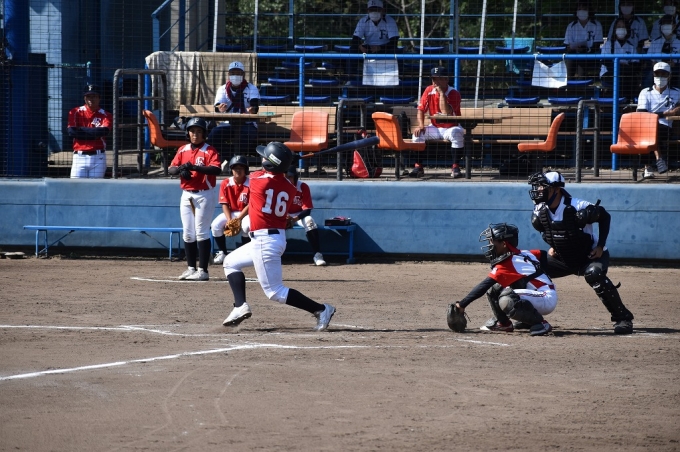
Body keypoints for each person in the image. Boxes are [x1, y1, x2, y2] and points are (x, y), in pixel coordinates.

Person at [221, 142, 336, 331]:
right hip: (272, 238)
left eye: (265, 157)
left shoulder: (257, 180)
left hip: (265, 241)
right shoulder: (289, 187)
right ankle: (240, 306)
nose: (262, 158)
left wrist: (281, 163)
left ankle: (322, 309)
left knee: (274, 292)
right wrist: (282, 163)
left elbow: (253, 175)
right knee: (230, 262)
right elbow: (273, 175)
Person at [527, 171, 634, 335]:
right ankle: (528, 316)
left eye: (543, 186)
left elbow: (605, 216)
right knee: (528, 270)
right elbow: (551, 230)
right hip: (563, 259)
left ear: (556, 189)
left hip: (589, 257)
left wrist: (600, 246)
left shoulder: (578, 206)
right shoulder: (540, 209)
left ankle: (623, 318)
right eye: (538, 186)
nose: (539, 190)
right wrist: (553, 246)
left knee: (594, 274)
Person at [451, 223, 556, 336]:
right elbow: (542, 253)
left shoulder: (508, 262)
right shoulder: (524, 253)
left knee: (507, 299)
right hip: (537, 295)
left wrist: (462, 305)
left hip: (545, 298)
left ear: (504, 244)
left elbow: (483, 286)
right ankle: (504, 323)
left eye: (492, 241)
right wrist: (543, 273)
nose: (490, 245)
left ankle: (541, 323)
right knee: (494, 290)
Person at [168, 117, 221, 281]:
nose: (195, 134)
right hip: (187, 194)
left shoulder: (209, 150)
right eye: (192, 131)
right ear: (188, 133)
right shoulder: (183, 150)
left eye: (199, 131)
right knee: (188, 233)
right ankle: (191, 268)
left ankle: (203, 270)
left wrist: (195, 167)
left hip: (204, 194)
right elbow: (171, 168)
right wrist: (180, 170)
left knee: (201, 231)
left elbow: (216, 169)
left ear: (204, 134)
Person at [412, 66, 465, 178]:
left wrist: (441, 93)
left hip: (451, 127)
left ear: (446, 79)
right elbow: (420, 110)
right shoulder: (429, 90)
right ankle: (418, 167)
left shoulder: (454, 93)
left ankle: (455, 167)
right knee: (417, 134)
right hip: (435, 127)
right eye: (434, 79)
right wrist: (421, 125)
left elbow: (445, 112)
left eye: (439, 78)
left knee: (457, 133)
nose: (436, 82)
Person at [207, 61, 260, 158]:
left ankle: (233, 158)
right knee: (213, 136)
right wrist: (220, 108)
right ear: (228, 74)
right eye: (233, 73)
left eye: (238, 73)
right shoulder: (222, 89)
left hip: (247, 123)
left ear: (243, 74)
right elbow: (217, 107)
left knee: (247, 136)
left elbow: (255, 107)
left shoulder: (252, 88)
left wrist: (252, 110)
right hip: (228, 123)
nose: (235, 75)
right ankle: (232, 157)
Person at [636, 61, 678, 178]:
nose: (660, 77)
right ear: (653, 74)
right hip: (647, 125)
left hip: (665, 126)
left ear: (669, 76)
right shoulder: (645, 92)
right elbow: (642, 113)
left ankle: (648, 166)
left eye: (664, 74)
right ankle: (658, 159)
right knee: (648, 132)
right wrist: (665, 113)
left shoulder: (677, 92)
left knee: (651, 132)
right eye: (657, 74)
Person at [210, 155, 251, 265]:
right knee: (215, 225)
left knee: (247, 227)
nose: (238, 170)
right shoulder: (226, 183)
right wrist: (229, 219)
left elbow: (250, 205)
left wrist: (238, 219)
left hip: (246, 213)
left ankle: (246, 254)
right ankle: (222, 252)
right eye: (235, 168)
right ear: (231, 170)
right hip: (231, 212)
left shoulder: (251, 183)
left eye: (241, 168)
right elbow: (224, 204)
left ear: (245, 170)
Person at [285, 165, 327, 266]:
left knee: (309, 221)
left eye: (290, 177)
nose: (288, 179)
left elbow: (307, 210)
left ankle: (317, 255)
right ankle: (274, 256)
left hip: (299, 215)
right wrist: (285, 218)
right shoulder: (280, 186)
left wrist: (294, 219)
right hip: (284, 215)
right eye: (286, 177)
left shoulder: (302, 186)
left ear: (295, 177)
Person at [67, 84, 112, 179]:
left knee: (95, 186)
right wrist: (94, 133)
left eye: (94, 96)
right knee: (76, 186)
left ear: (99, 98)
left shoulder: (106, 114)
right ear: (84, 98)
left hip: (98, 157)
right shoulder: (75, 111)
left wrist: (80, 130)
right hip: (79, 156)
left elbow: (104, 131)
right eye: (88, 96)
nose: (91, 99)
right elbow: (72, 132)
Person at [600, 19, 641, 101]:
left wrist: (622, 66)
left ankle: (627, 101)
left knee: (631, 78)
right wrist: (622, 66)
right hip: (609, 74)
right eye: (619, 27)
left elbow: (635, 65)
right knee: (619, 78)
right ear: (614, 29)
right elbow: (606, 62)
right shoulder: (608, 45)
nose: (621, 29)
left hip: (627, 74)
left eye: (623, 27)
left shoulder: (631, 47)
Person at [563, 2, 604, 78]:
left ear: (589, 10)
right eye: (579, 9)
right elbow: (567, 45)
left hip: (591, 55)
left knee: (581, 60)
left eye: (584, 9)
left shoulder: (597, 25)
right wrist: (573, 48)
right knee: (570, 60)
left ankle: (581, 83)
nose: (582, 11)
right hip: (574, 55)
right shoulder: (571, 26)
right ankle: (568, 83)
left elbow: (597, 45)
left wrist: (586, 50)